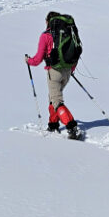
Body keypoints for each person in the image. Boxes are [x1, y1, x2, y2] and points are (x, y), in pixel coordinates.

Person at [26, 11, 82, 140]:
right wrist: (71, 69)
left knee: (57, 101)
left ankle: (71, 126)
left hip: (54, 72)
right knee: (53, 97)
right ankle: (53, 124)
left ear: (48, 21)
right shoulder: (67, 33)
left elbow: (38, 59)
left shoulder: (46, 36)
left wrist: (28, 61)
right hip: (67, 71)